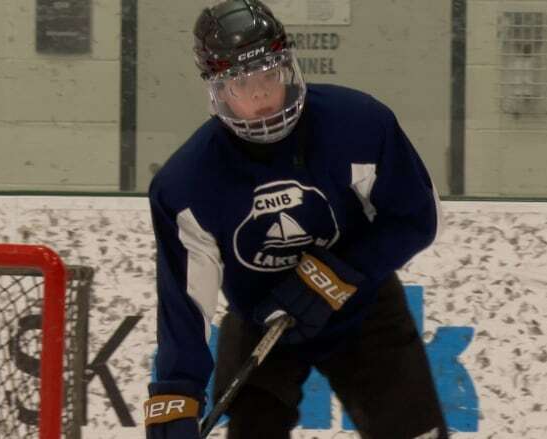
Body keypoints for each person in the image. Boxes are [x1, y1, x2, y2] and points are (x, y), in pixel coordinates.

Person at [144, 1, 449, 437]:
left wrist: (332, 276)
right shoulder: (186, 185)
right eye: (240, 83)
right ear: (216, 90)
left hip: (363, 310)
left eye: (269, 75)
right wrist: (174, 398)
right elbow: (185, 305)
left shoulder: (359, 125)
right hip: (264, 324)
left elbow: (417, 218)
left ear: (288, 67)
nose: (259, 97)